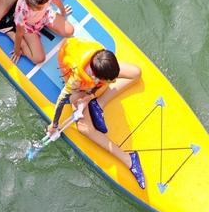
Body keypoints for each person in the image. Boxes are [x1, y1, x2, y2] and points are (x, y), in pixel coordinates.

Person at [48, 38, 145, 189]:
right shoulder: (76, 80)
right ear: (98, 77)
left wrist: (90, 97)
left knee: (136, 73)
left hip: (93, 76)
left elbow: (107, 79)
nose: (113, 82)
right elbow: (61, 100)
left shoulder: (101, 57)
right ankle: (130, 159)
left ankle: (98, 105)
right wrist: (54, 125)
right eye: (110, 80)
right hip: (78, 84)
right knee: (84, 129)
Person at [12, 0, 74, 64]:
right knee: (39, 59)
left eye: (36, 6)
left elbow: (57, 1)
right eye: (30, 4)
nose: (31, 7)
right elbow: (19, 34)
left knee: (70, 31)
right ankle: (19, 41)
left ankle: (45, 24)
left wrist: (63, 12)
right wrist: (17, 50)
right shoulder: (23, 10)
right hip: (28, 27)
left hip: (45, 15)